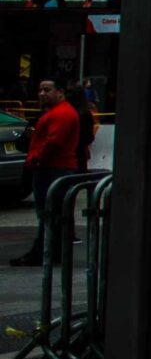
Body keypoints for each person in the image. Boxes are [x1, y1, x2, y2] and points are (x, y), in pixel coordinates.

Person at [15, 80, 79, 267]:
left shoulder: (61, 114)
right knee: (50, 213)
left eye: (47, 90)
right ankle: (47, 251)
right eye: (40, 90)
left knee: (48, 213)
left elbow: (54, 143)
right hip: (51, 168)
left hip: (52, 169)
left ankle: (45, 252)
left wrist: (37, 159)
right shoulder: (56, 113)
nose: (42, 94)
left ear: (60, 92)